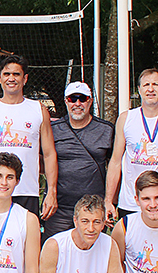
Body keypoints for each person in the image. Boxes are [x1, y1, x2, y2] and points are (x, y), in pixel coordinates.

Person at [0, 55, 58, 220]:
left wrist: (51, 191)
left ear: (25, 79)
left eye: (16, 74)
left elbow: (49, 154)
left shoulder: (38, 110)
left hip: (27, 191)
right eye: (6, 74)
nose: (11, 78)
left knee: (26, 241)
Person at [46, 81, 114, 237]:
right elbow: (42, 162)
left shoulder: (106, 129)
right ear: (66, 101)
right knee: (56, 251)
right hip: (60, 207)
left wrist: (110, 201)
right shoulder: (54, 130)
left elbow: (115, 166)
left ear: (89, 100)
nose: (77, 103)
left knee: (93, 254)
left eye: (82, 98)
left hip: (94, 207)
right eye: (72, 99)